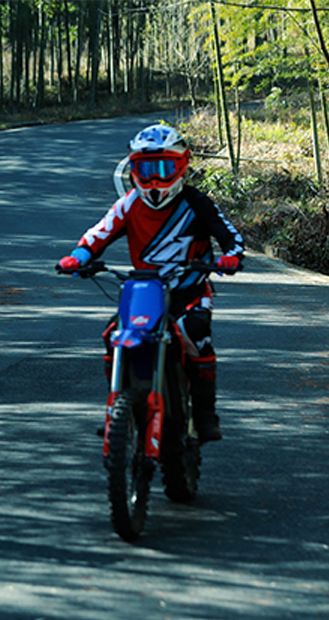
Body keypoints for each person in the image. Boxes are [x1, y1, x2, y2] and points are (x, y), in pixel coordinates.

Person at [58, 123, 244, 443]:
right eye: (146, 169)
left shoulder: (197, 203)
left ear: (182, 165)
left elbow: (231, 237)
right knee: (112, 334)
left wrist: (231, 257)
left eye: (165, 168)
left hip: (189, 291)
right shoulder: (129, 203)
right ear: (133, 170)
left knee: (195, 333)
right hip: (145, 291)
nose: (155, 179)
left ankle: (204, 414)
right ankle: (119, 405)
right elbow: (98, 234)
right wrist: (78, 256)